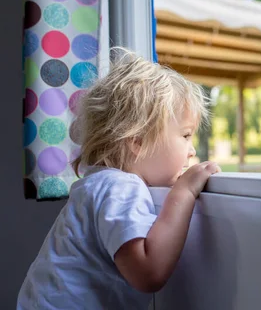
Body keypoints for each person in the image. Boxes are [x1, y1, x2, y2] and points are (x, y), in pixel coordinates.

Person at [17, 49, 221, 309]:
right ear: (138, 142)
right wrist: (184, 192)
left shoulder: (97, 184)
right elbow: (148, 273)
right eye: (185, 135)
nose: (192, 150)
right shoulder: (120, 187)